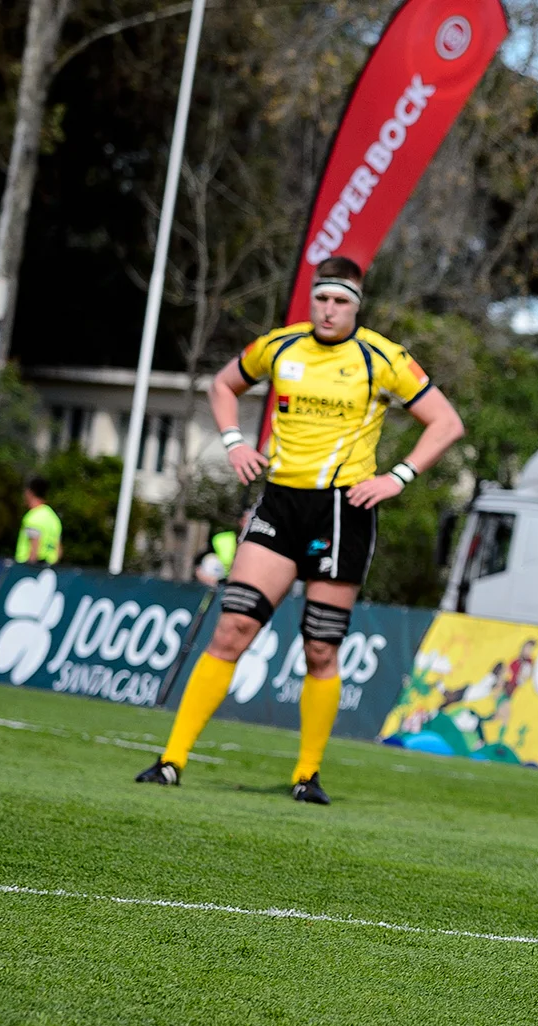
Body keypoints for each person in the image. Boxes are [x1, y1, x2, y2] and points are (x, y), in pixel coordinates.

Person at [137, 256, 465, 803]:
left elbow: (447, 422)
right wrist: (234, 443)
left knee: (320, 648)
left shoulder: (382, 358)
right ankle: (171, 761)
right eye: (322, 299)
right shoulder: (280, 346)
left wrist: (397, 478)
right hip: (280, 502)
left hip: (342, 509)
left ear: (357, 304)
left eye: (340, 301)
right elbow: (223, 386)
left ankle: (307, 774)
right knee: (232, 628)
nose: (329, 310)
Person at [197, 508, 250, 587]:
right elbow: (200, 563)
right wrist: (204, 576)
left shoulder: (261, 544)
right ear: (241, 521)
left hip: (244, 583)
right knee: (211, 560)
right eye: (248, 520)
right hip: (219, 582)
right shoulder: (221, 539)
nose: (250, 524)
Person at [15, 477, 62, 565]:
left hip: (27, 568)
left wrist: (27, 569)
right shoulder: (54, 518)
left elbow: (34, 551)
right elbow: (58, 551)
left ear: (29, 493)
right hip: (48, 568)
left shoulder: (33, 517)